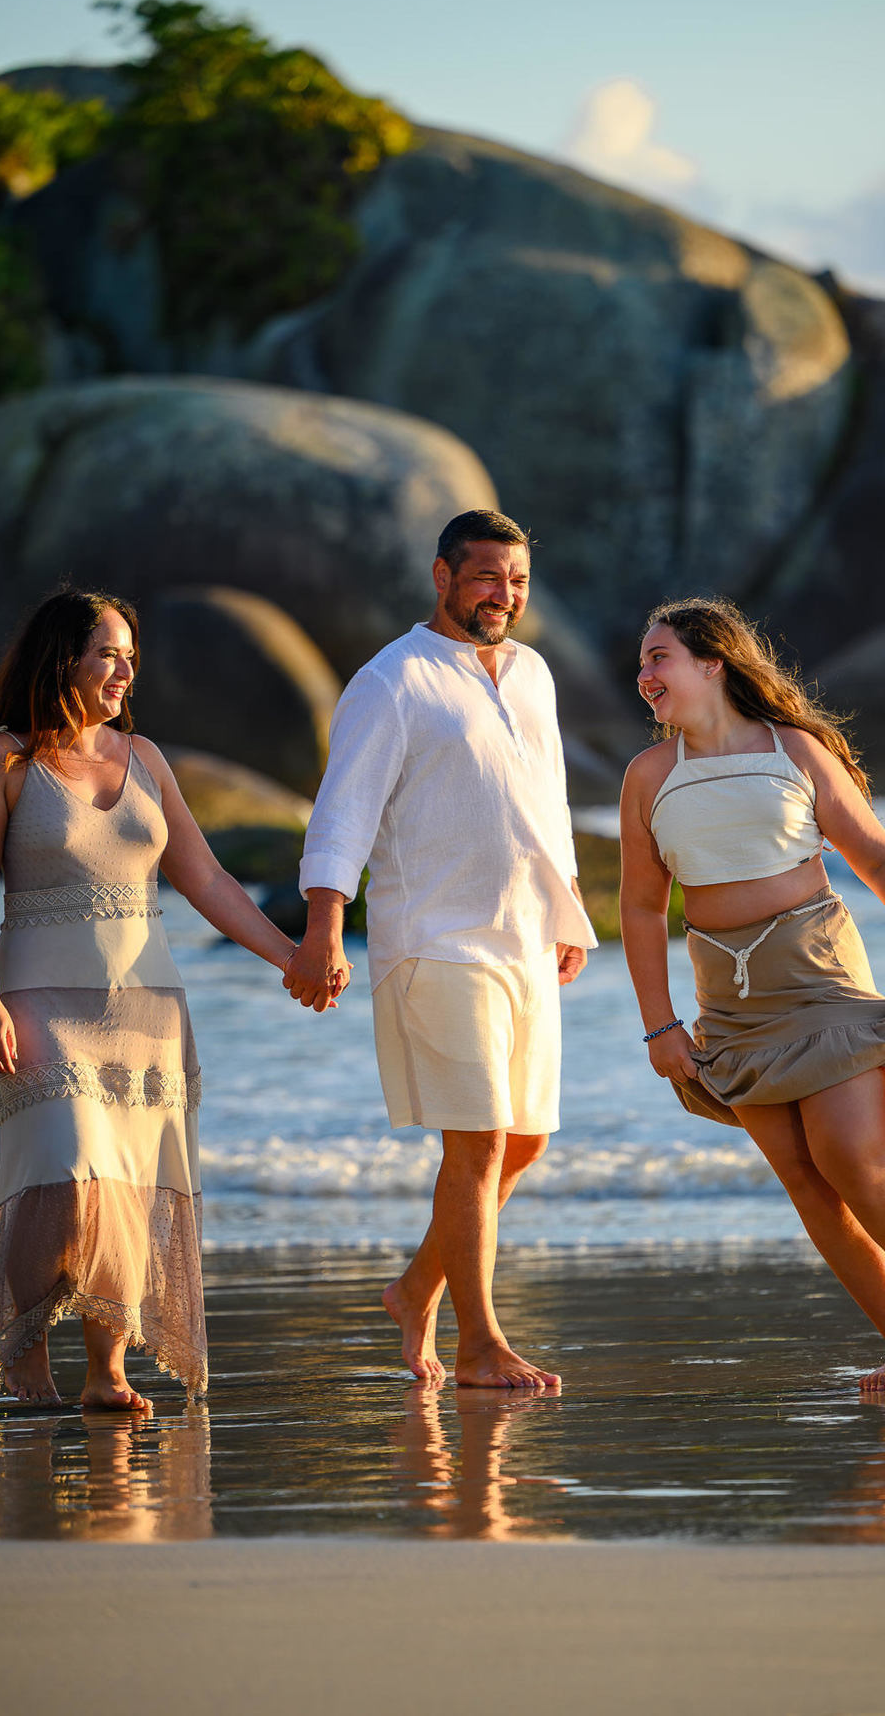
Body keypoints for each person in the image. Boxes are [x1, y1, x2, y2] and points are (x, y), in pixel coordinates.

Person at [619, 597, 885, 1395]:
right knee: (805, 1178)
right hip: (733, 1005)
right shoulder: (650, 775)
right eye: (643, 660)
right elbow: (643, 908)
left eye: (660, 657)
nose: (644, 673)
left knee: (848, 1152)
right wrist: (660, 1025)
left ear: (712, 662)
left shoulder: (792, 749)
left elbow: (878, 857)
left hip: (819, 976)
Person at [0, 589, 300, 1410]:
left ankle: (106, 1369)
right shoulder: (1, 759)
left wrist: (291, 957)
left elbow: (206, 878)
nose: (123, 671)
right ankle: (25, 1354)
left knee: (128, 1187)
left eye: (130, 657)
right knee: (65, 1172)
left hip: (147, 1011)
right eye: (107, 653)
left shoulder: (144, 757)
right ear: (62, 657)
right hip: (39, 1006)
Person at [284, 510, 596, 1389]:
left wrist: (568, 909)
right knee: (480, 1141)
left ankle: (416, 1288)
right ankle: (479, 1342)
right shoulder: (391, 680)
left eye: (518, 580)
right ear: (443, 576)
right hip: (435, 938)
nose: (505, 594)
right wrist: (323, 926)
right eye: (488, 575)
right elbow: (342, 811)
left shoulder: (532, 673)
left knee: (524, 1142)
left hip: (525, 937)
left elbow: (546, 796)